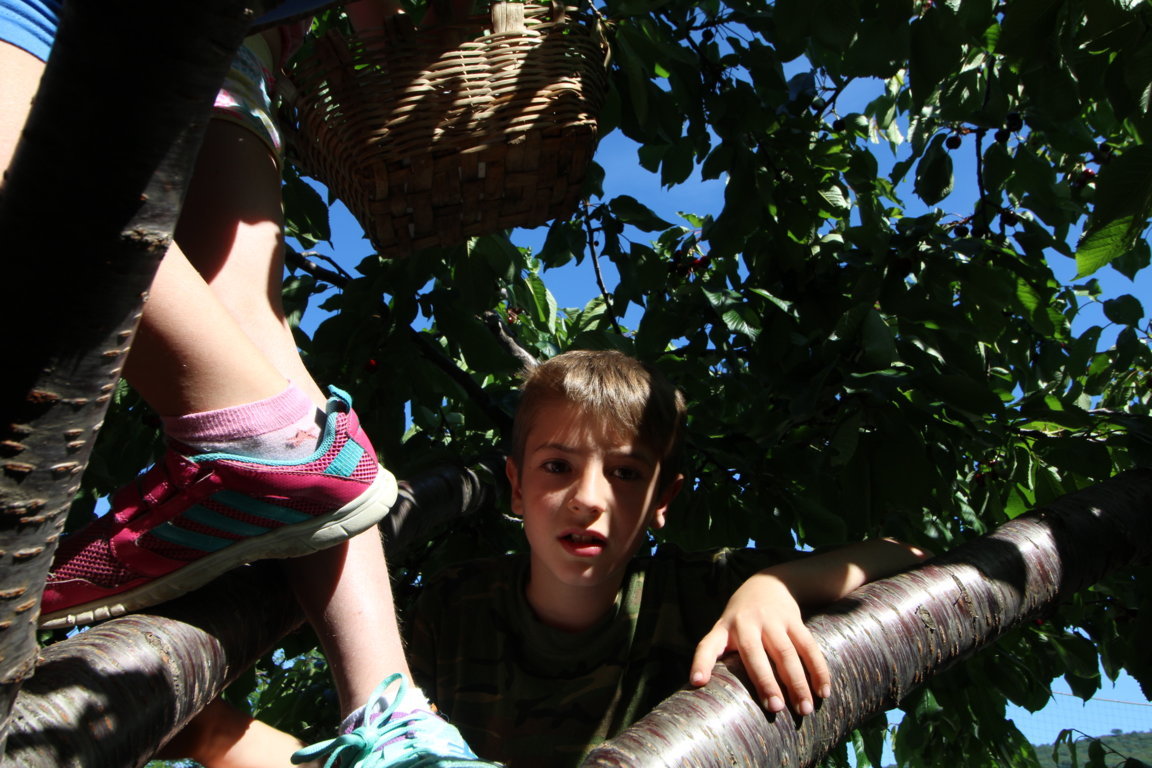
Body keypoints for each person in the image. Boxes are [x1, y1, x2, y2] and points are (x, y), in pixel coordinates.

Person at [0, 2, 497, 766]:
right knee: (252, 336)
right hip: (236, 49)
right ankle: (392, 709)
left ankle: (251, 442)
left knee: (26, 176)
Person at [157, 349, 931, 767]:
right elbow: (387, 749)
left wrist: (773, 587)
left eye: (625, 474)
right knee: (207, 730)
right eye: (558, 467)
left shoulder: (700, 593)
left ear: (663, 499)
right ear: (516, 487)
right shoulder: (453, 609)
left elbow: (911, 555)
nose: (589, 498)